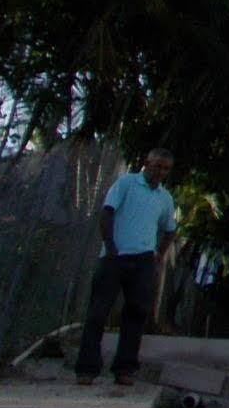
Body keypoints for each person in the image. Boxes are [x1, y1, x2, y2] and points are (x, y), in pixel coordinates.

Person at [75, 148, 178, 386]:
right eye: (156, 165)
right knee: (98, 313)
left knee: (136, 315)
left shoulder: (165, 198)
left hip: (143, 260)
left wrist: (158, 256)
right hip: (115, 257)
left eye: (165, 168)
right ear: (146, 163)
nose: (159, 171)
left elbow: (170, 229)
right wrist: (110, 246)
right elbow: (107, 212)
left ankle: (125, 369)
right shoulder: (126, 184)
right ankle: (87, 369)